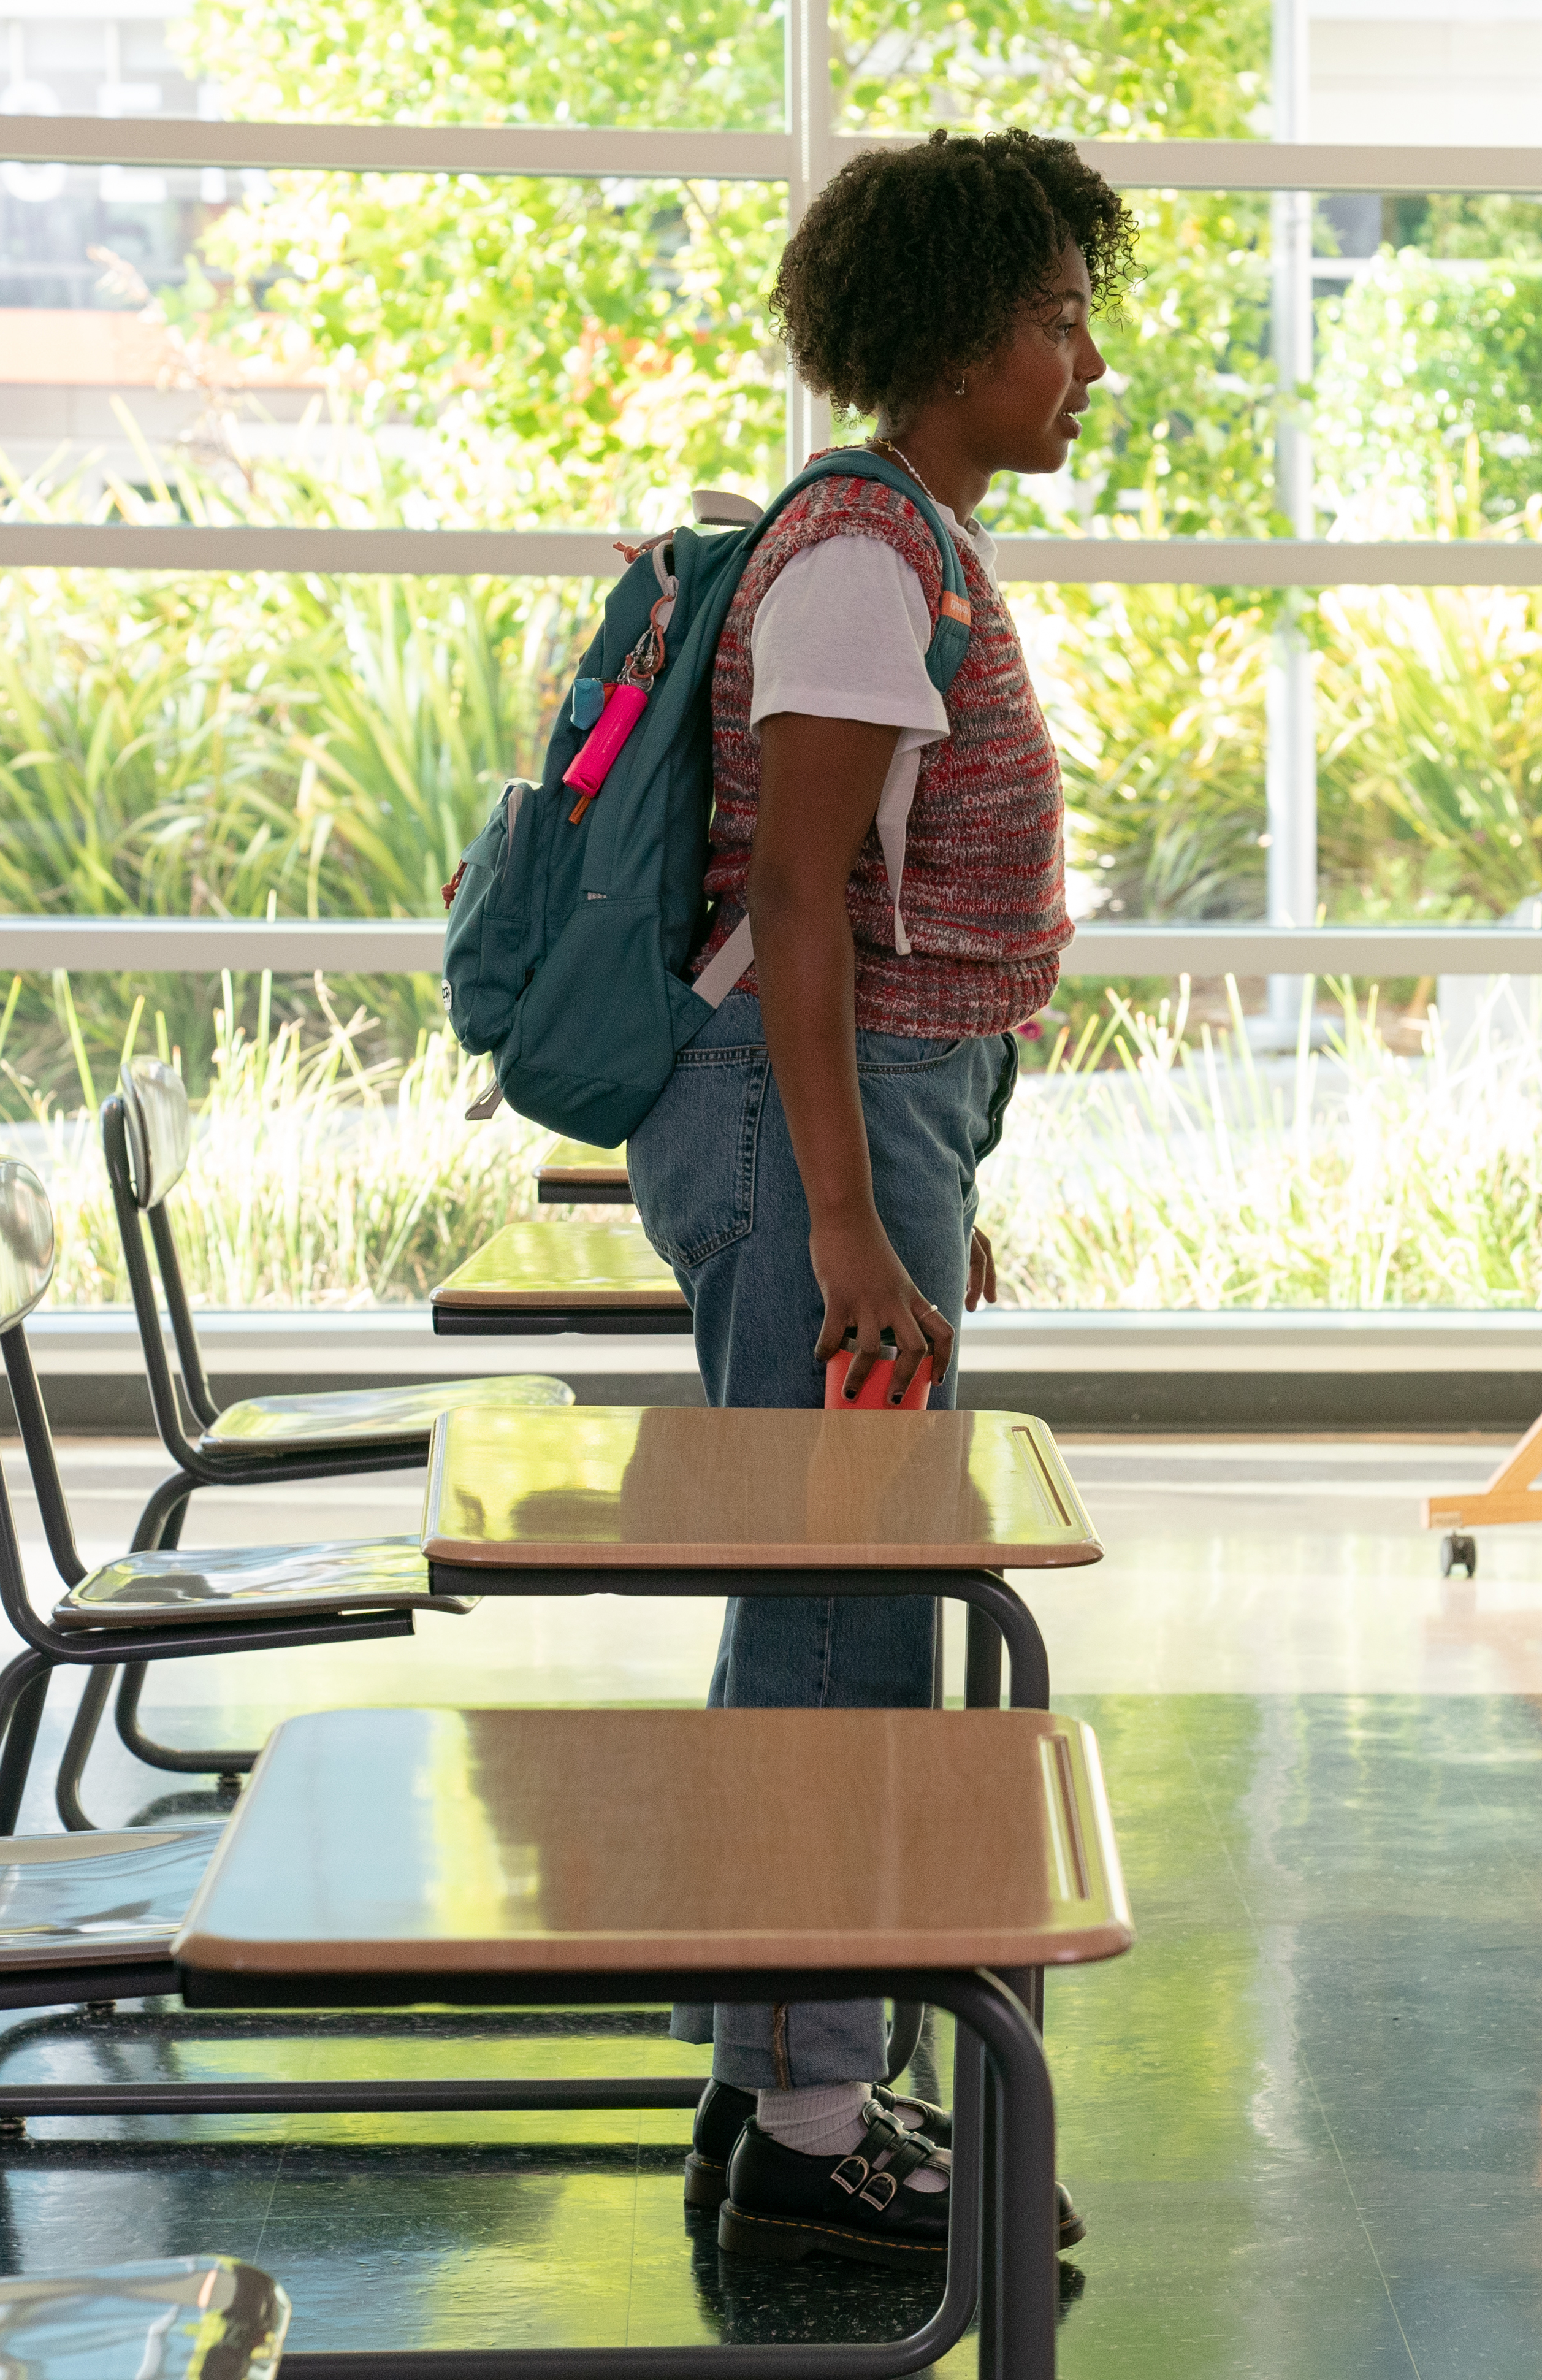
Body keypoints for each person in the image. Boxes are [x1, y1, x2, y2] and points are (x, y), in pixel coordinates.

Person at [620, 128, 1124, 2272]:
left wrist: (909, 1194)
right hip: (809, 1118)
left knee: (824, 1589)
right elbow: (803, 910)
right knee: (842, 1601)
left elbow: (870, 918)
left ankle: (776, 2083)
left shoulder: (894, 535)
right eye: (1053, 320)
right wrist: (849, 1218)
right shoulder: (856, 554)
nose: (1085, 359)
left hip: (871, 1124)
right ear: (951, 342)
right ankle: (821, 2120)